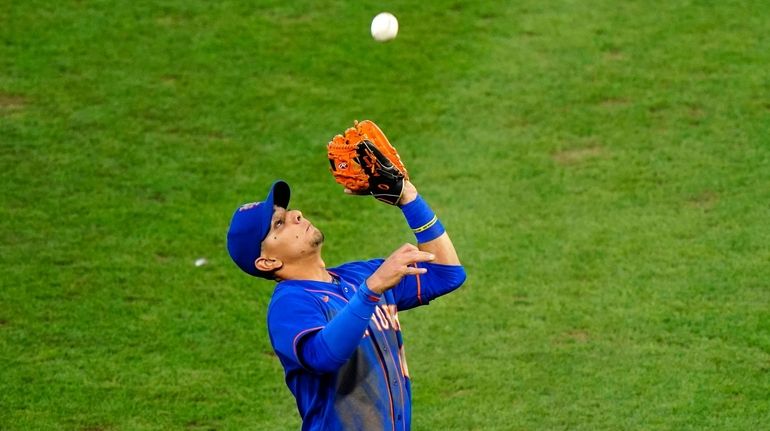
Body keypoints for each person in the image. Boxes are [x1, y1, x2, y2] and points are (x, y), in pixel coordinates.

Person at [227, 178, 466, 431]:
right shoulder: (289, 304)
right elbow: (321, 356)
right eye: (279, 223)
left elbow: (446, 274)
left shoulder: (360, 276)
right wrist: (371, 290)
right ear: (268, 262)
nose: (296, 215)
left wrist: (408, 199)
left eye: (288, 213)